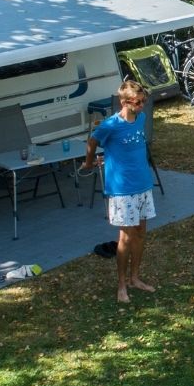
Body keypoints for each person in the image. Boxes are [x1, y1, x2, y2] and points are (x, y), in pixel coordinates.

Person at [81, 81, 156, 302]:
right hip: (122, 190)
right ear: (124, 102)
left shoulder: (140, 118)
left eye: (144, 101)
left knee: (141, 234)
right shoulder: (110, 125)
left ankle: (135, 278)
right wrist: (88, 163)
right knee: (125, 237)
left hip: (143, 185)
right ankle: (121, 285)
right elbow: (92, 141)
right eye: (138, 102)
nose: (142, 106)